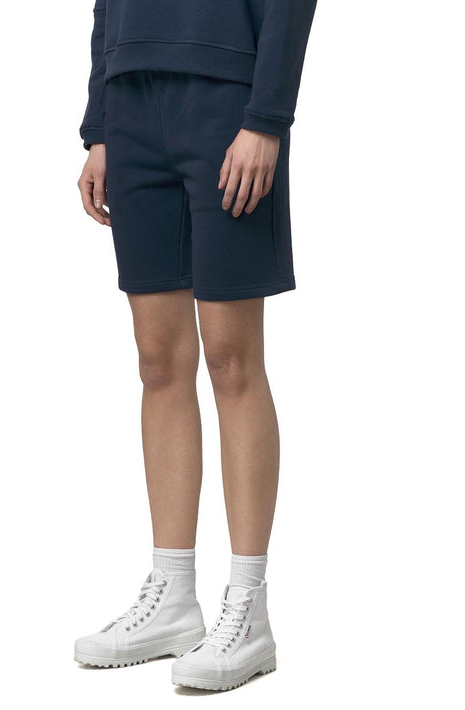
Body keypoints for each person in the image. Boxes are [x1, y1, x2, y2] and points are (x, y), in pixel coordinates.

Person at [75, 0, 318, 692]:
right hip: (131, 98)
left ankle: (248, 607)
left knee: (231, 359)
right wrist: (99, 128)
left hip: (225, 100)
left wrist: (266, 118)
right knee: (157, 360)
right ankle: (173, 595)